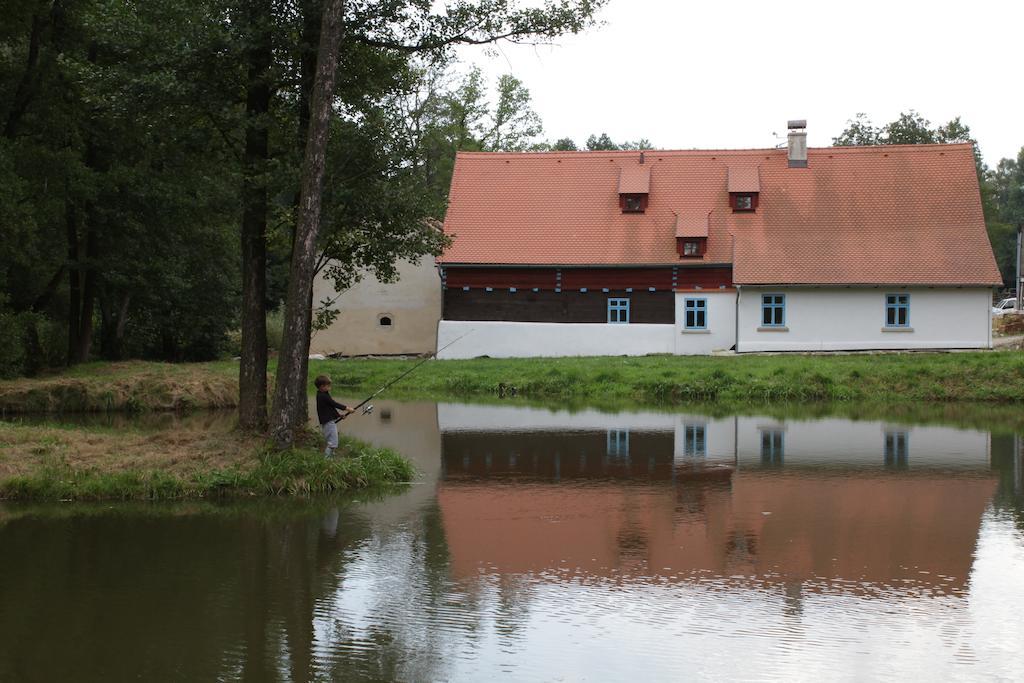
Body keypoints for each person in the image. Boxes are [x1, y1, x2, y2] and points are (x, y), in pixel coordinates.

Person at [314, 375, 353, 457]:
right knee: (333, 442)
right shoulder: (322, 396)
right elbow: (334, 404)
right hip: (328, 423)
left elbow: (330, 408)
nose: (330, 387)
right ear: (322, 386)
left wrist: (339, 415)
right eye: (328, 385)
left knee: (332, 441)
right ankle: (327, 459)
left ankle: (330, 457)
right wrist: (347, 408)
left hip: (329, 422)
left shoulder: (324, 394)